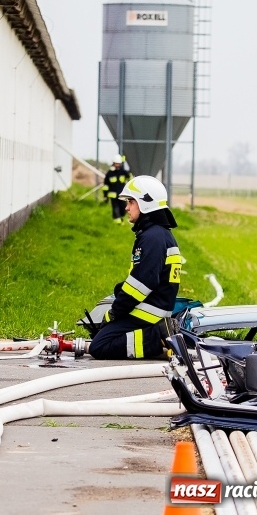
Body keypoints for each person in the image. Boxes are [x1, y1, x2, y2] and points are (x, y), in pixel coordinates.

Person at [88, 175, 183, 360]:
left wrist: (113, 314)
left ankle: (158, 336)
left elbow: (141, 285)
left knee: (99, 347)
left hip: (148, 313)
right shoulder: (158, 234)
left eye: (131, 201)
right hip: (154, 309)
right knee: (101, 336)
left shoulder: (152, 238)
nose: (126, 207)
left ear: (145, 203)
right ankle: (158, 335)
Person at [101, 154, 132, 224]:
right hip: (113, 196)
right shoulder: (110, 173)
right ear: (113, 163)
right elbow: (106, 186)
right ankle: (118, 223)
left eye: (118, 163)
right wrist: (105, 196)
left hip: (122, 195)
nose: (117, 165)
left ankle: (120, 219)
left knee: (123, 209)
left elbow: (129, 177)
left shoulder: (123, 172)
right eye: (116, 163)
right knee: (116, 208)